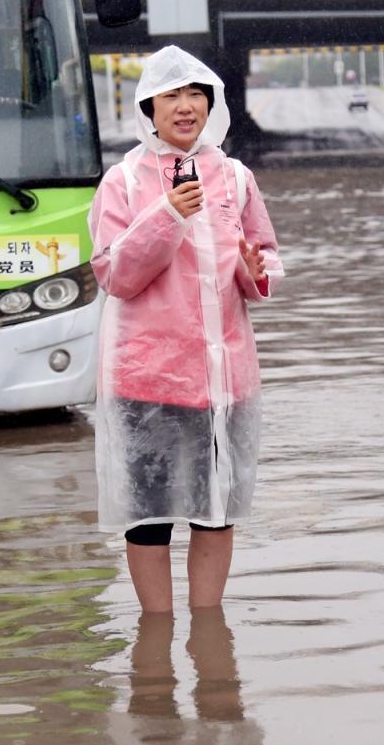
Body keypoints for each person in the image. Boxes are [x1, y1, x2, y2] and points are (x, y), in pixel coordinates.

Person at [89, 46, 283, 614]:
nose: (185, 106)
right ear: (149, 107)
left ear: (211, 104)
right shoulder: (123, 181)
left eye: (196, 93)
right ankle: (156, 638)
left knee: (216, 510)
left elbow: (264, 258)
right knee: (148, 519)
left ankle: (207, 632)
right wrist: (167, 214)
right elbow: (115, 275)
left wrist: (256, 272)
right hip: (145, 380)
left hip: (224, 381)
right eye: (172, 95)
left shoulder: (237, 179)